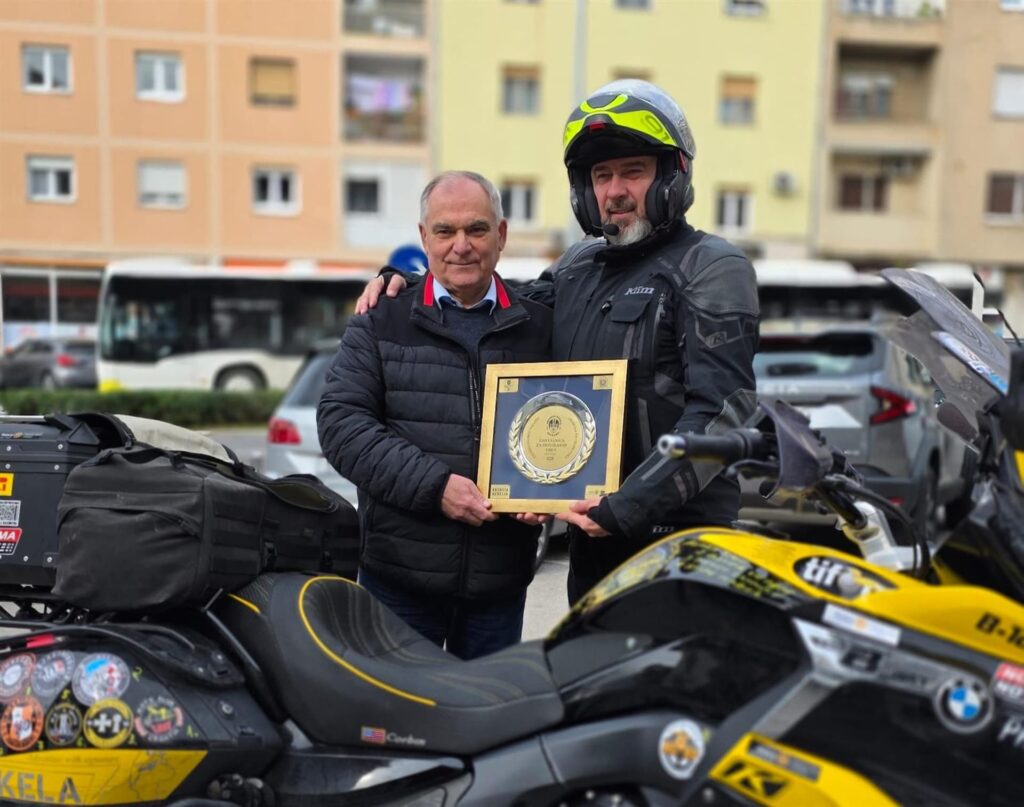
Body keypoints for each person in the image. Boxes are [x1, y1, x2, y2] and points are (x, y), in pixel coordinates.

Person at [355, 81, 759, 604]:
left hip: (680, 545)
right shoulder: (577, 267)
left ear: (671, 174)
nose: (614, 190)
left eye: (633, 171)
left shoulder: (712, 267)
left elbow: (722, 412)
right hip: (594, 542)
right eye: (601, 175)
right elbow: (499, 303)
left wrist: (626, 507)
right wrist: (411, 286)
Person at [317, 171, 552, 659]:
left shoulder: (541, 326)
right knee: (397, 707)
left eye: (477, 229)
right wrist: (435, 487)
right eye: (445, 231)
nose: (460, 246)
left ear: (501, 234)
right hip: (397, 583)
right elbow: (342, 425)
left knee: (486, 706)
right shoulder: (380, 319)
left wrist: (548, 491)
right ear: (424, 238)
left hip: (499, 586)